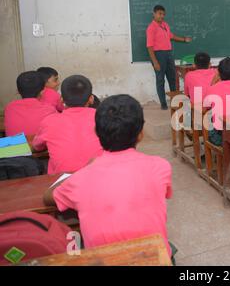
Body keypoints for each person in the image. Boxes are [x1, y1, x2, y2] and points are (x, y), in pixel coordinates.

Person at [43, 94, 173, 258]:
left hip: (103, 261)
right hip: (155, 258)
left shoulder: (81, 179)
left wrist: (82, 172)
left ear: (97, 133)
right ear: (141, 134)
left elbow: (48, 197)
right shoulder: (161, 166)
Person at [32, 75, 103, 174]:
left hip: (61, 181)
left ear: (61, 99)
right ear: (91, 99)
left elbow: (36, 147)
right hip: (98, 176)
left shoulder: (49, 121)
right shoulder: (102, 117)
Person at [146, 5, 192, 110]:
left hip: (168, 54)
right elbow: (149, 46)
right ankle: (163, 103)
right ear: (154, 14)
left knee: (172, 78)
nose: (162, 16)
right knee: (160, 80)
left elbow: (172, 36)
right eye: (159, 14)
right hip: (158, 55)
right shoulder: (151, 28)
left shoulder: (165, 25)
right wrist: (155, 62)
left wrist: (184, 39)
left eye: (163, 14)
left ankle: (174, 101)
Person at [4, 71, 57, 136]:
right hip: (37, 146)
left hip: (12, 146)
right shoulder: (50, 110)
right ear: (42, 91)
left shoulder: (9, 108)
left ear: (18, 91)